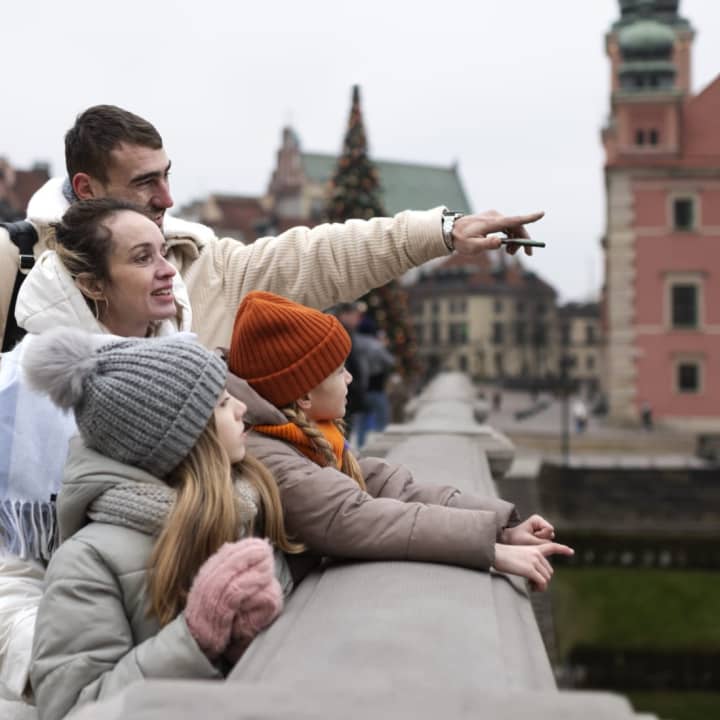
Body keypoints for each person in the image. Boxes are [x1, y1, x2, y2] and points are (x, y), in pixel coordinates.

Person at [1, 104, 543, 350]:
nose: (167, 198)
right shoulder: (15, 262)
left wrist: (443, 230)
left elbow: (320, 256)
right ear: (87, 187)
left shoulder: (200, 262)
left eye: (168, 176)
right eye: (145, 183)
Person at [23, 328, 292, 720]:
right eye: (221, 403)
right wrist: (196, 636)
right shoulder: (87, 561)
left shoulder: (242, 507)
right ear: (177, 440)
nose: (241, 408)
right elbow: (72, 707)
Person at [226, 291, 573, 590]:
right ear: (303, 395)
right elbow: (355, 517)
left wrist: (501, 527)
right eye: (339, 370)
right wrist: (491, 551)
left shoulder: (303, 438)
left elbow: (390, 488)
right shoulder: (269, 455)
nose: (350, 378)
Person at [0, 198, 191, 703]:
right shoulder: (18, 393)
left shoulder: (183, 359)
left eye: (164, 251)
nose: (169, 270)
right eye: (143, 258)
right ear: (93, 285)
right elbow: (11, 571)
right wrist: (52, 666)